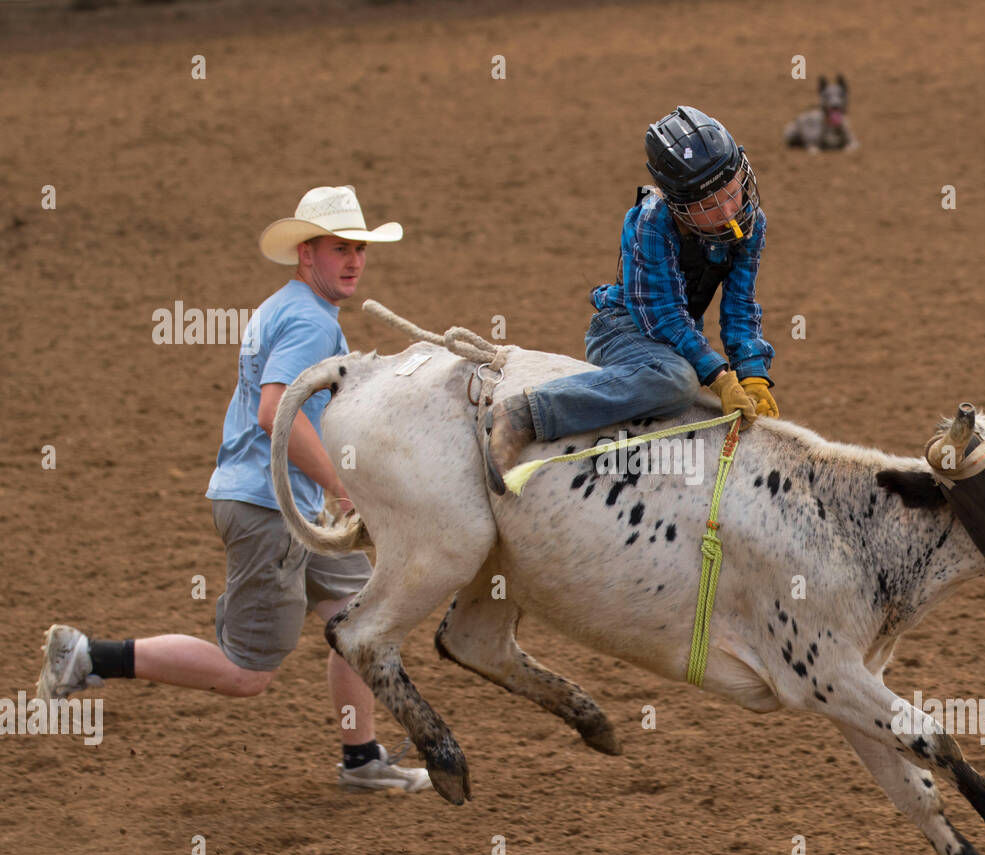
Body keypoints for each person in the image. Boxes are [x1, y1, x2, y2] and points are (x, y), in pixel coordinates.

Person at [36, 185, 431, 792]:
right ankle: (89, 657)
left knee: (361, 623)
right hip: (271, 510)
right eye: (338, 249)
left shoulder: (284, 307)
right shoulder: (307, 320)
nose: (353, 260)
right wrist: (342, 487)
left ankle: (362, 759)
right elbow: (277, 412)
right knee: (246, 673)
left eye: (359, 249)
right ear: (306, 254)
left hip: (279, 503)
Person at [483, 106, 778, 493]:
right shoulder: (650, 220)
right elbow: (663, 316)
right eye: (708, 206)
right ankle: (526, 413)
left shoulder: (748, 223)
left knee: (689, 379)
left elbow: (740, 306)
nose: (728, 211)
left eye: (732, 191)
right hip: (624, 328)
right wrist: (720, 377)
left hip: (677, 337)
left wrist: (753, 373)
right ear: (678, 205)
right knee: (677, 382)